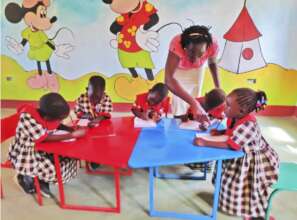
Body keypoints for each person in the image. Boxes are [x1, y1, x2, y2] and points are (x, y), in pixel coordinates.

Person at [194, 88, 279, 220]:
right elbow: (231, 133)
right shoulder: (233, 116)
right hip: (239, 156)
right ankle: (235, 205)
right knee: (229, 182)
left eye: (228, 105)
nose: (224, 108)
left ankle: (256, 213)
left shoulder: (248, 125)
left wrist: (205, 142)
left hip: (251, 161)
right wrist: (221, 133)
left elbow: (232, 145)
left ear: (242, 111)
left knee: (246, 186)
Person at [8, 93, 86, 198]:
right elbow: (43, 137)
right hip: (26, 152)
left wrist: (70, 129)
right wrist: (71, 135)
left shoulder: (47, 113)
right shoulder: (27, 119)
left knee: (69, 157)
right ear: (47, 117)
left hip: (42, 147)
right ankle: (24, 177)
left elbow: (56, 125)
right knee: (52, 168)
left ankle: (41, 180)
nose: (61, 121)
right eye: (59, 119)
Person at [165, 25, 220, 123]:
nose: (194, 59)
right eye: (190, 53)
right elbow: (169, 80)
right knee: (179, 100)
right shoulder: (177, 43)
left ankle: (193, 121)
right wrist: (194, 104)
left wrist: (218, 88)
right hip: (179, 69)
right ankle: (179, 122)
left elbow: (212, 63)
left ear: (207, 47)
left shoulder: (213, 44)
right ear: (184, 47)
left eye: (200, 54)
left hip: (198, 69)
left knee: (195, 96)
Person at [74, 75, 113, 170]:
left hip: (101, 127)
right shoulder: (81, 98)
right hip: (85, 126)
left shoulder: (106, 98)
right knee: (83, 141)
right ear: (87, 90)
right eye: (92, 97)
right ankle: (84, 156)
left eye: (98, 97)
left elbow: (106, 114)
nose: (95, 100)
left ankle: (96, 159)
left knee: (101, 144)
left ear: (103, 92)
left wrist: (97, 120)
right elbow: (77, 111)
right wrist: (84, 115)